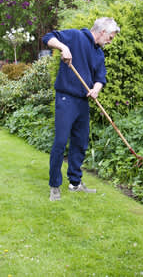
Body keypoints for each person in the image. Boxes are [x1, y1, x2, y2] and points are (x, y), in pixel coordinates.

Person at [42, 17, 120, 201]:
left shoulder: (99, 54)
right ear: (102, 32)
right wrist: (63, 47)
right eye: (110, 37)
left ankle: (75, 183)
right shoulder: (75, 37)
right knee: (61, 142)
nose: (110, 41)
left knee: (80, 142)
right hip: (65, 98)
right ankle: (54, 186)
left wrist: (96, 89)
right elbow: (48, 37)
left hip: (82, 102)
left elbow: (101, 77)